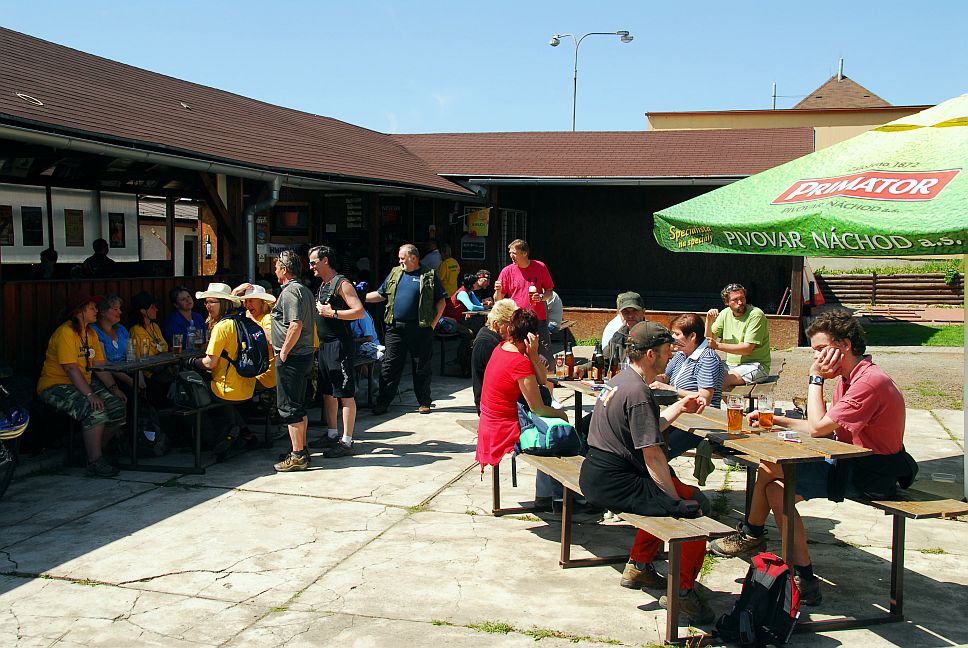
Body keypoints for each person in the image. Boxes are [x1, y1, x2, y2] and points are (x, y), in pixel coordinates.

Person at [709, 310, 911, 607]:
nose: (815, 357)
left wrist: (815, 379)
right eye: (814, 351)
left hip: (871, 474)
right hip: (849, 461)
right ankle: (803, 577)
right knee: (776, 488)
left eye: (820, 349)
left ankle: (752, 535)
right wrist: (775, 419)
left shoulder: (869, 383)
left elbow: (817, 429)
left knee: (772, 468)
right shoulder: (851, 377)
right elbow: (824, 427)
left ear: (844, 345)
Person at [578, 321, 714, 624]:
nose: (671, 356)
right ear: (651, 354)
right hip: (614, 482)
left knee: (671, 493)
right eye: (666, 351)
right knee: (695, 507)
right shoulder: (639, 392)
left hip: (598, 474)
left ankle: (639, 566)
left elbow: (645, 431)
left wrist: (679, 407)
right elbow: (652, 455)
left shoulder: (622, 380)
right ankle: (683, 593)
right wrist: (673, 502)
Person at [37, 291, 127, 477]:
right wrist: (90, 395)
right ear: (79, 312)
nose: (96, 310)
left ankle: (90, 453)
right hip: (55, 385)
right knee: (95, 411)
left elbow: (99, 366)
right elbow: (71, 369)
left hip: (82, 382)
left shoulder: (91, 333)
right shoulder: (65, 332)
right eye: (91, 308)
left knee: (117, 408)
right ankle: (95, 462)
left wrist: (114, 389)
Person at [476, 308, 568, 470]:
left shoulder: (502, 347)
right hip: (503, 431)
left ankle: (547, 486)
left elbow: (542, 379)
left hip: (488, 425)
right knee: (559, 434)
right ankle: (554, 485)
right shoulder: (519, 363)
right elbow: (537, 408)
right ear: (533, 336)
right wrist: (562, 415)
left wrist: (533, 355)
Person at [365, 244, 446, 415]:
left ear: (413, 258)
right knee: (390, 366)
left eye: (402, 258)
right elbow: (381, 294)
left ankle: (424, 402)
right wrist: (358, 297)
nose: (399, 261)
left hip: (420, 328)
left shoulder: (429, 275)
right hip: (395, 328)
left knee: (421, 366)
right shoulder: (395, 273)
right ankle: (383, 403)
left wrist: (433, 324)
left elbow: (441, 301)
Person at [307, 245, 365, 458]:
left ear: (325, 261)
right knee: (328, 391)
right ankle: (332, 434)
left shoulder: (342, 283)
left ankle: (347, 441)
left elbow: (359, 312)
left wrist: (333, 313)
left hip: (339, 345)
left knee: (345, 393)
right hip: (325, 344)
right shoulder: (324, 284)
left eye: (313, 262)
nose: (311, 266)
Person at [189, 283, 257, 460]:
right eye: (206, 302)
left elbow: (209, 363)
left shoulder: (221, 326)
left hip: (226, 389)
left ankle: (209, 442)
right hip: (247, 386)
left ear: (224, 303)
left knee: (189, 394)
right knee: (215, 396)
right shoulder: (241, 321)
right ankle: (240, 430)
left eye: (212, 301)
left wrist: (193, 362)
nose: (207, 305)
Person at [650, 312, 725, 458]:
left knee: (659, 452)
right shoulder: (681, 353)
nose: (673, 338)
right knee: (649, 440)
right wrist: (647, 376)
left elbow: (705, 398)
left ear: (692, 336)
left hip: (701, 421)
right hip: (680, 415)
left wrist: (670, 389)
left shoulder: (708, 358)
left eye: (677, 334)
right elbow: (665, 377)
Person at [271, 250, 318, 471]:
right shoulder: (304, 290)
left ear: (284, 269)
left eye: (276, 267)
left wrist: (284, 352)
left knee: (289, 406)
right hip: (303, 354)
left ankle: (298, 455)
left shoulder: (291, 291)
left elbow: (295, 324)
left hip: (293, 356)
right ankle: (300, 448)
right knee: (298, 405)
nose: (274, 271)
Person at [494, 239, 555, 368]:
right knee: (518, 358)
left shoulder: (540, 267)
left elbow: (550, 292)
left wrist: (541, 297)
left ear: (525, 253)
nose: (511, 256)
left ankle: (543, 380)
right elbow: (498, 300)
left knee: (547, 361)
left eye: (514, 253)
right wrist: (498, 291)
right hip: (517, 321)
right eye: (510, 253)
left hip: (538, 320)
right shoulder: (507, 271)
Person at [705, 283, 771, 387]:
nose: (740, 302)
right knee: (702, 373)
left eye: (742, 298)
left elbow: (747, 349)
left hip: (755, 366)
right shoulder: (725, 313)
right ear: (727, 302)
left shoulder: (756, 315)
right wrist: (709, 320)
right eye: (735, 300)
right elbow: (708, 341)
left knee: (719, 380)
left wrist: (717, 345)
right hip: (730, 365)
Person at [470, 298, 518, 413]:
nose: (513, 330)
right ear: (496, 324)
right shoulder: (487, 343)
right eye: (509, 325)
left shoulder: (492, 338)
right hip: (491, 407)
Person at [129, 291, 173, 406]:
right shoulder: (136, 330)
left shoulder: (155, 326)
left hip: (163, 367)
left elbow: (164, 347)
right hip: (149, 373)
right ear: (143, 311)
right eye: (152, 307)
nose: (156, 310)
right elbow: (143, 357)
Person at [602, 292, 647, 371]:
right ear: (619, 314)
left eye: (635, 311)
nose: (630, 316)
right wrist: (582, 369)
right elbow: (603, 361)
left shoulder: (654, 335)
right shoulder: (618, 336)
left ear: (643, 312)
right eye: (625, 312)